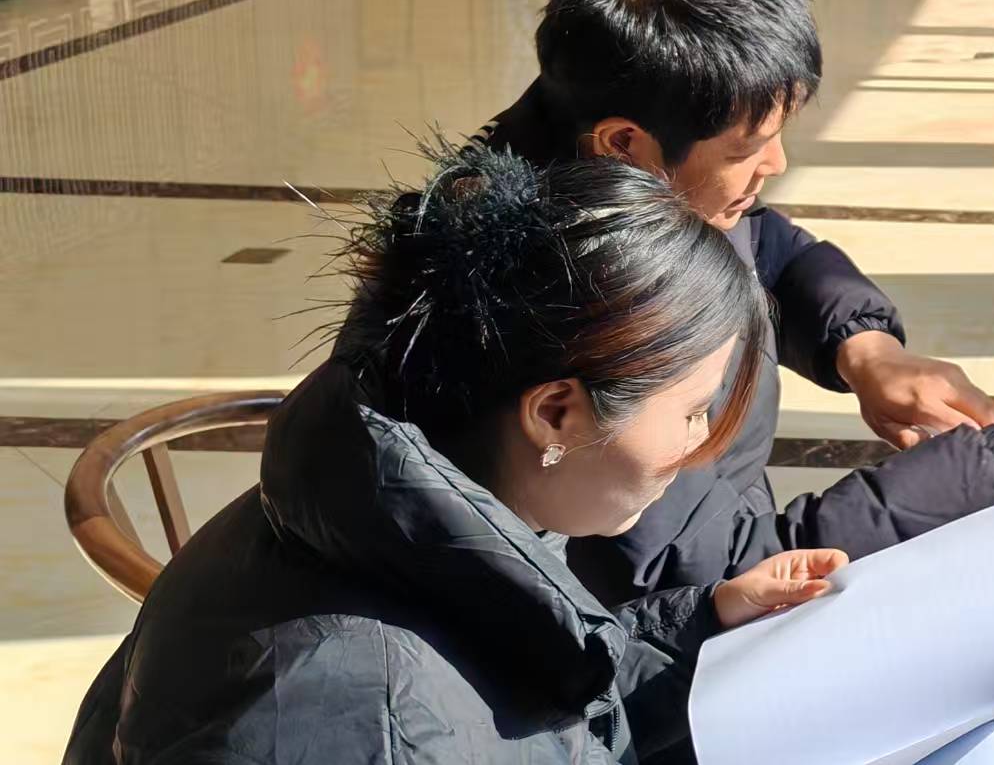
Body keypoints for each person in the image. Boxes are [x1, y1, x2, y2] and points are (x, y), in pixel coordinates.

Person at [66, 149, 845, 763]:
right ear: (555, 412)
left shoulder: (395, 506)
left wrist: (707, 622)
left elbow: (531, 702)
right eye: (691, 411)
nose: (699, 445)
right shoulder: (368, 719)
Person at [474, 0, 994, 601]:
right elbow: (727, 578)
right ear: (625, 143)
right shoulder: (576, 309)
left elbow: (761, 247)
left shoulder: (612, 162)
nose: (777, 163)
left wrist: (864, 347)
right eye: (748, 147)